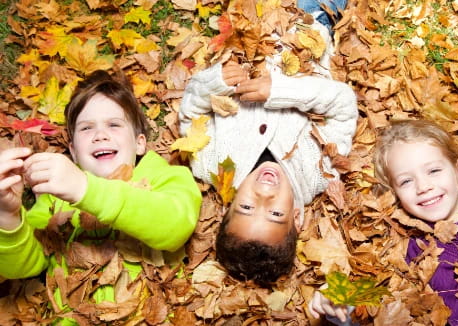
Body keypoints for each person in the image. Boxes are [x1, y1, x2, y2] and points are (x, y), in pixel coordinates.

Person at [179, 0, 358, 286]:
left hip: (251, 24)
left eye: (247, 208)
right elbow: (344, 104)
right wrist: (280, 91)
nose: (264, 193)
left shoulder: (209, 165)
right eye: (276, 213)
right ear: (297, 218)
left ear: (227, 209)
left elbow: (191, 112)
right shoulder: (320, 173)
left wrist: (217, 83)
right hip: (308, 25)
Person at [0, 70, 202, 323]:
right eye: (86, 128)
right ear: (73, 151)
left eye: (114, 125)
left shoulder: (166, 177)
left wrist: (85, 189)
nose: (100, 135)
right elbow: (24, 268)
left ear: (140, 143)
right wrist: (7, 217)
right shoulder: (53, 199)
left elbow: (175, 227)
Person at [308, 119, 458, 325]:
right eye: (406, 181)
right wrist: (339, 299)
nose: (423, 186)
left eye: (434, 171)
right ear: (395, 194)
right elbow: (379, 309)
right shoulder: (408, 253)